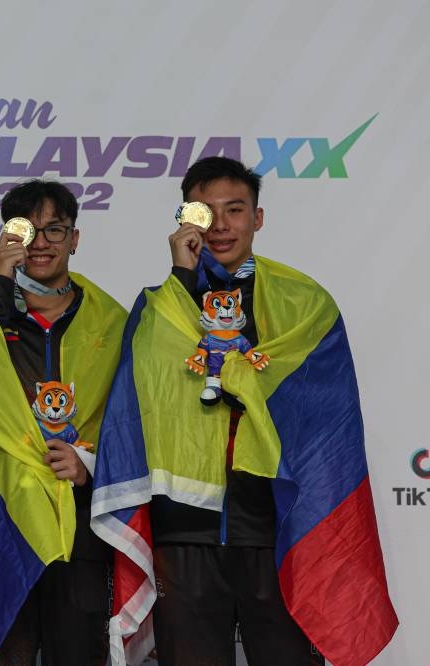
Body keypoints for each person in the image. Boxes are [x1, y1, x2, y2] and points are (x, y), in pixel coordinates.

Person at [90, 156, 397, 666]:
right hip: (185, 531)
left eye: (235, 209)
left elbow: (322, 411)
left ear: (258, 217)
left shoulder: (305, 303)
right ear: (185, 221)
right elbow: (150, 389)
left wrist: (236, 371)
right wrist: (184, 280)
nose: (222, 225)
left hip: (277, 527)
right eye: (205, 213)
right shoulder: (161, 303)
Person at [0, 179, 126, 665]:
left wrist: (89, 461)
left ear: (75, 238)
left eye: (55, 230)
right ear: (7, 237)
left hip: (79, 532)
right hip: (2, 523)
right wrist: (0, 287)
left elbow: (134, 421)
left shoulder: (114, 323)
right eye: (27, 230)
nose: (41, 243)